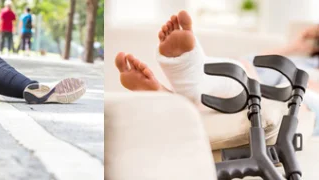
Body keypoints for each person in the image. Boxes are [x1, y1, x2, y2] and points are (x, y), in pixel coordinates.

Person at [114, 10, 319, 136]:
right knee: (241, 67)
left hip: (299, 98)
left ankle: (184, 85)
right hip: (256, 81)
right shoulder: (300, 56)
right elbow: (252, 61)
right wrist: (295, 46)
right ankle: (186, 87)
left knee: (299, 100)